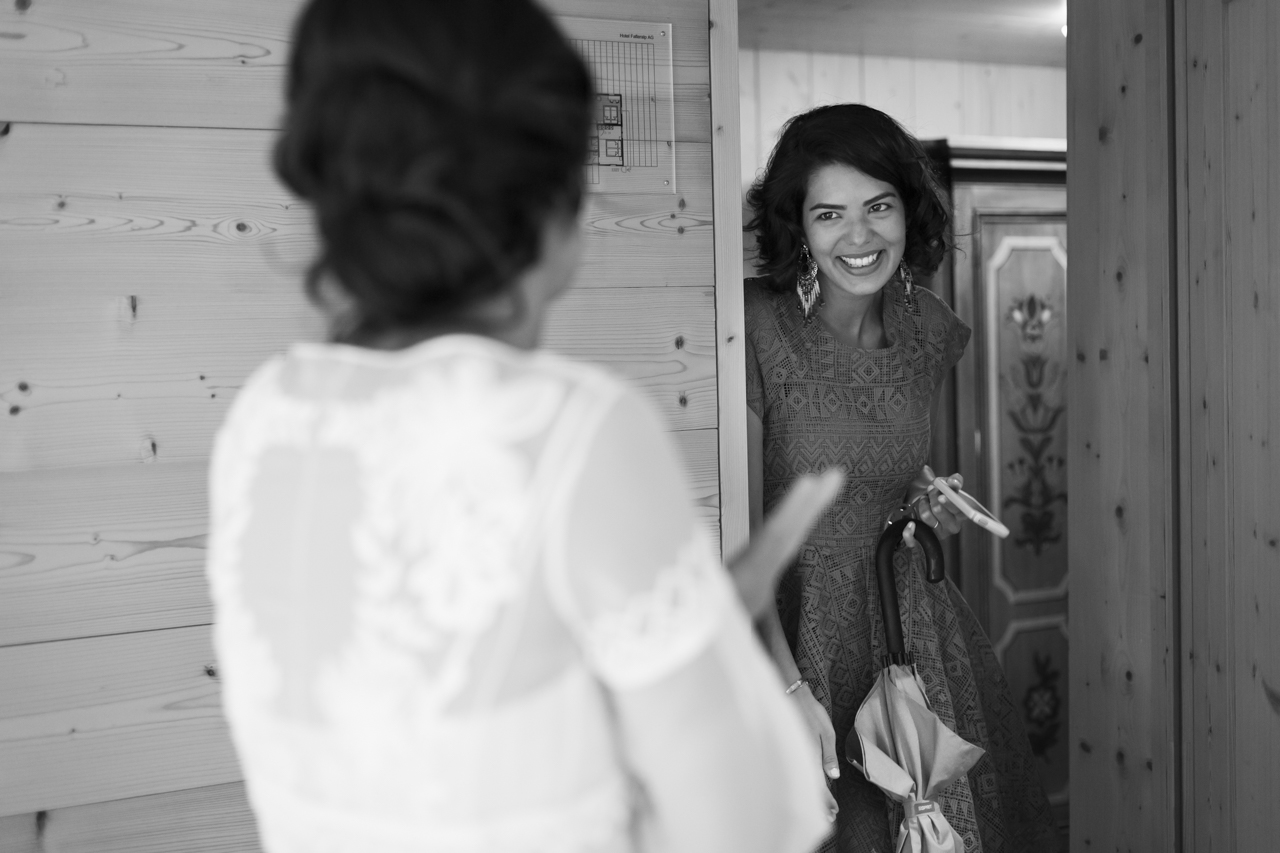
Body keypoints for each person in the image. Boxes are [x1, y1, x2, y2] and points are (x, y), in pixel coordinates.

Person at [203, 2, 837, 852]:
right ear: (553, 205)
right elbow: (737, 830)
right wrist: (716, 653)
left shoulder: (265, 418)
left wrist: (675, 630)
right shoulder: (574, 428)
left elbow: (452, 749)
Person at [743, 104, 1063, 853]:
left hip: (907, 629)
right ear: (799, 226)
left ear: (908, 211)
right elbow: (737, 532)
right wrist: (786, 686)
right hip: (788, 632)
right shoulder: (750, 326)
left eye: (878, 207)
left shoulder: (928, 329)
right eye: (829, 214)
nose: (858, 237)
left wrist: (920, 497)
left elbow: (874, 459)